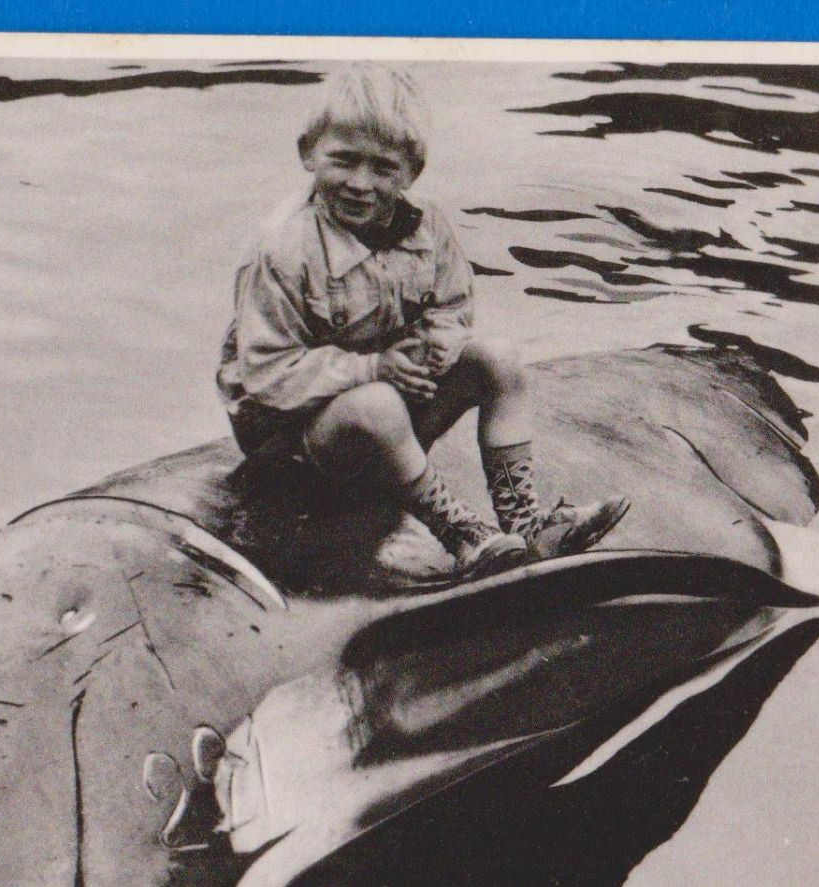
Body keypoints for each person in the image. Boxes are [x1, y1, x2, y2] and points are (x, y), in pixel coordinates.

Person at [216, 62, 629, 580]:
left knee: (498, 359)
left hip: (387, 418)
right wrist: (372, 370)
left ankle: (526, 525)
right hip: (296, 452)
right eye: (342, 160)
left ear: (412, 172)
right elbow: (266, 375)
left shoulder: (427, 226)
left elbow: (452, 306)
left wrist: (430, 350)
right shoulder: (280, 248)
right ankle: (464, 536)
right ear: (307, 153)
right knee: (378, 401)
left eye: (383, 167)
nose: (360, 183)